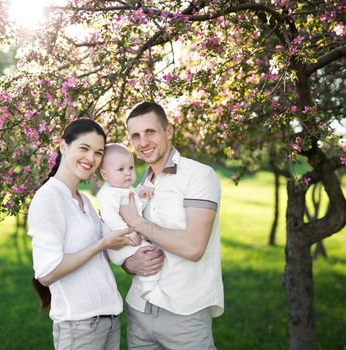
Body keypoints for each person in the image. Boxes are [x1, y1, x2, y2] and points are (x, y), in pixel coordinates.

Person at [119, 101, 224, 350]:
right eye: (135, 135)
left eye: (150, 132)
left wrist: (137, 222)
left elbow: (193, 247)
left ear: (169, 131)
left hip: (185, 313)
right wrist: (128, 264)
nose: (143, 142)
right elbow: (126, 243)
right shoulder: (137, 188)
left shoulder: (199, 175)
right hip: (139, 309)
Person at [27, 119, 137, 350]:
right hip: (79, 326)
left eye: (98, 152)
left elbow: (98, 257)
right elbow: (46, 273)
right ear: (63, 146)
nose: (91, 158)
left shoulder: (85, 200)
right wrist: (102, 244)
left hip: (109, 320)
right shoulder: (49, 197)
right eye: (84, 148)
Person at [96, 143, 160, 298]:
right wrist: (127, 232)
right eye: (121, 169)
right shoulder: (107, 194)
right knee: (150, 255)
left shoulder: (127, 189)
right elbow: (110, 217)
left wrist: (142, 197)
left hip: (132, 238)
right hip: (121, 243)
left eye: (131, 167)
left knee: (154, 255)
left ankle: (153, 287)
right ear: (105, 175)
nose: (128, 173)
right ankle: (151, 290)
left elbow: (136, 208)